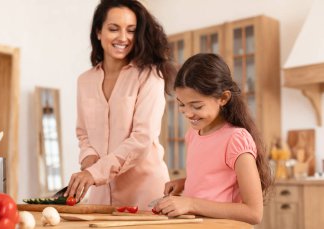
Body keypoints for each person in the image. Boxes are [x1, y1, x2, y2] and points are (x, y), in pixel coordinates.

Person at [64, 0, 176, 210]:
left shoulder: (150, 76)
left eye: (131, 30)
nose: (123, 38)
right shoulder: (85, 81)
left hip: (145, 193)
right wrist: (90, 158)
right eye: (114, 29)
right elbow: (83, 133)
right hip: (100, 195)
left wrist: (95, 172)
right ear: (99, 32)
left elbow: (142, 138)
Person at [154, 53, 272, 225]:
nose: (187, 113)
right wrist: (185, 183)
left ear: (223, 98)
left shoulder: (235, 139)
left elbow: (254, 213)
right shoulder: (194, 134)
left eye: (197, 106)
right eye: (181, 104)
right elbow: (216, 181)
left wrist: (191, 203)